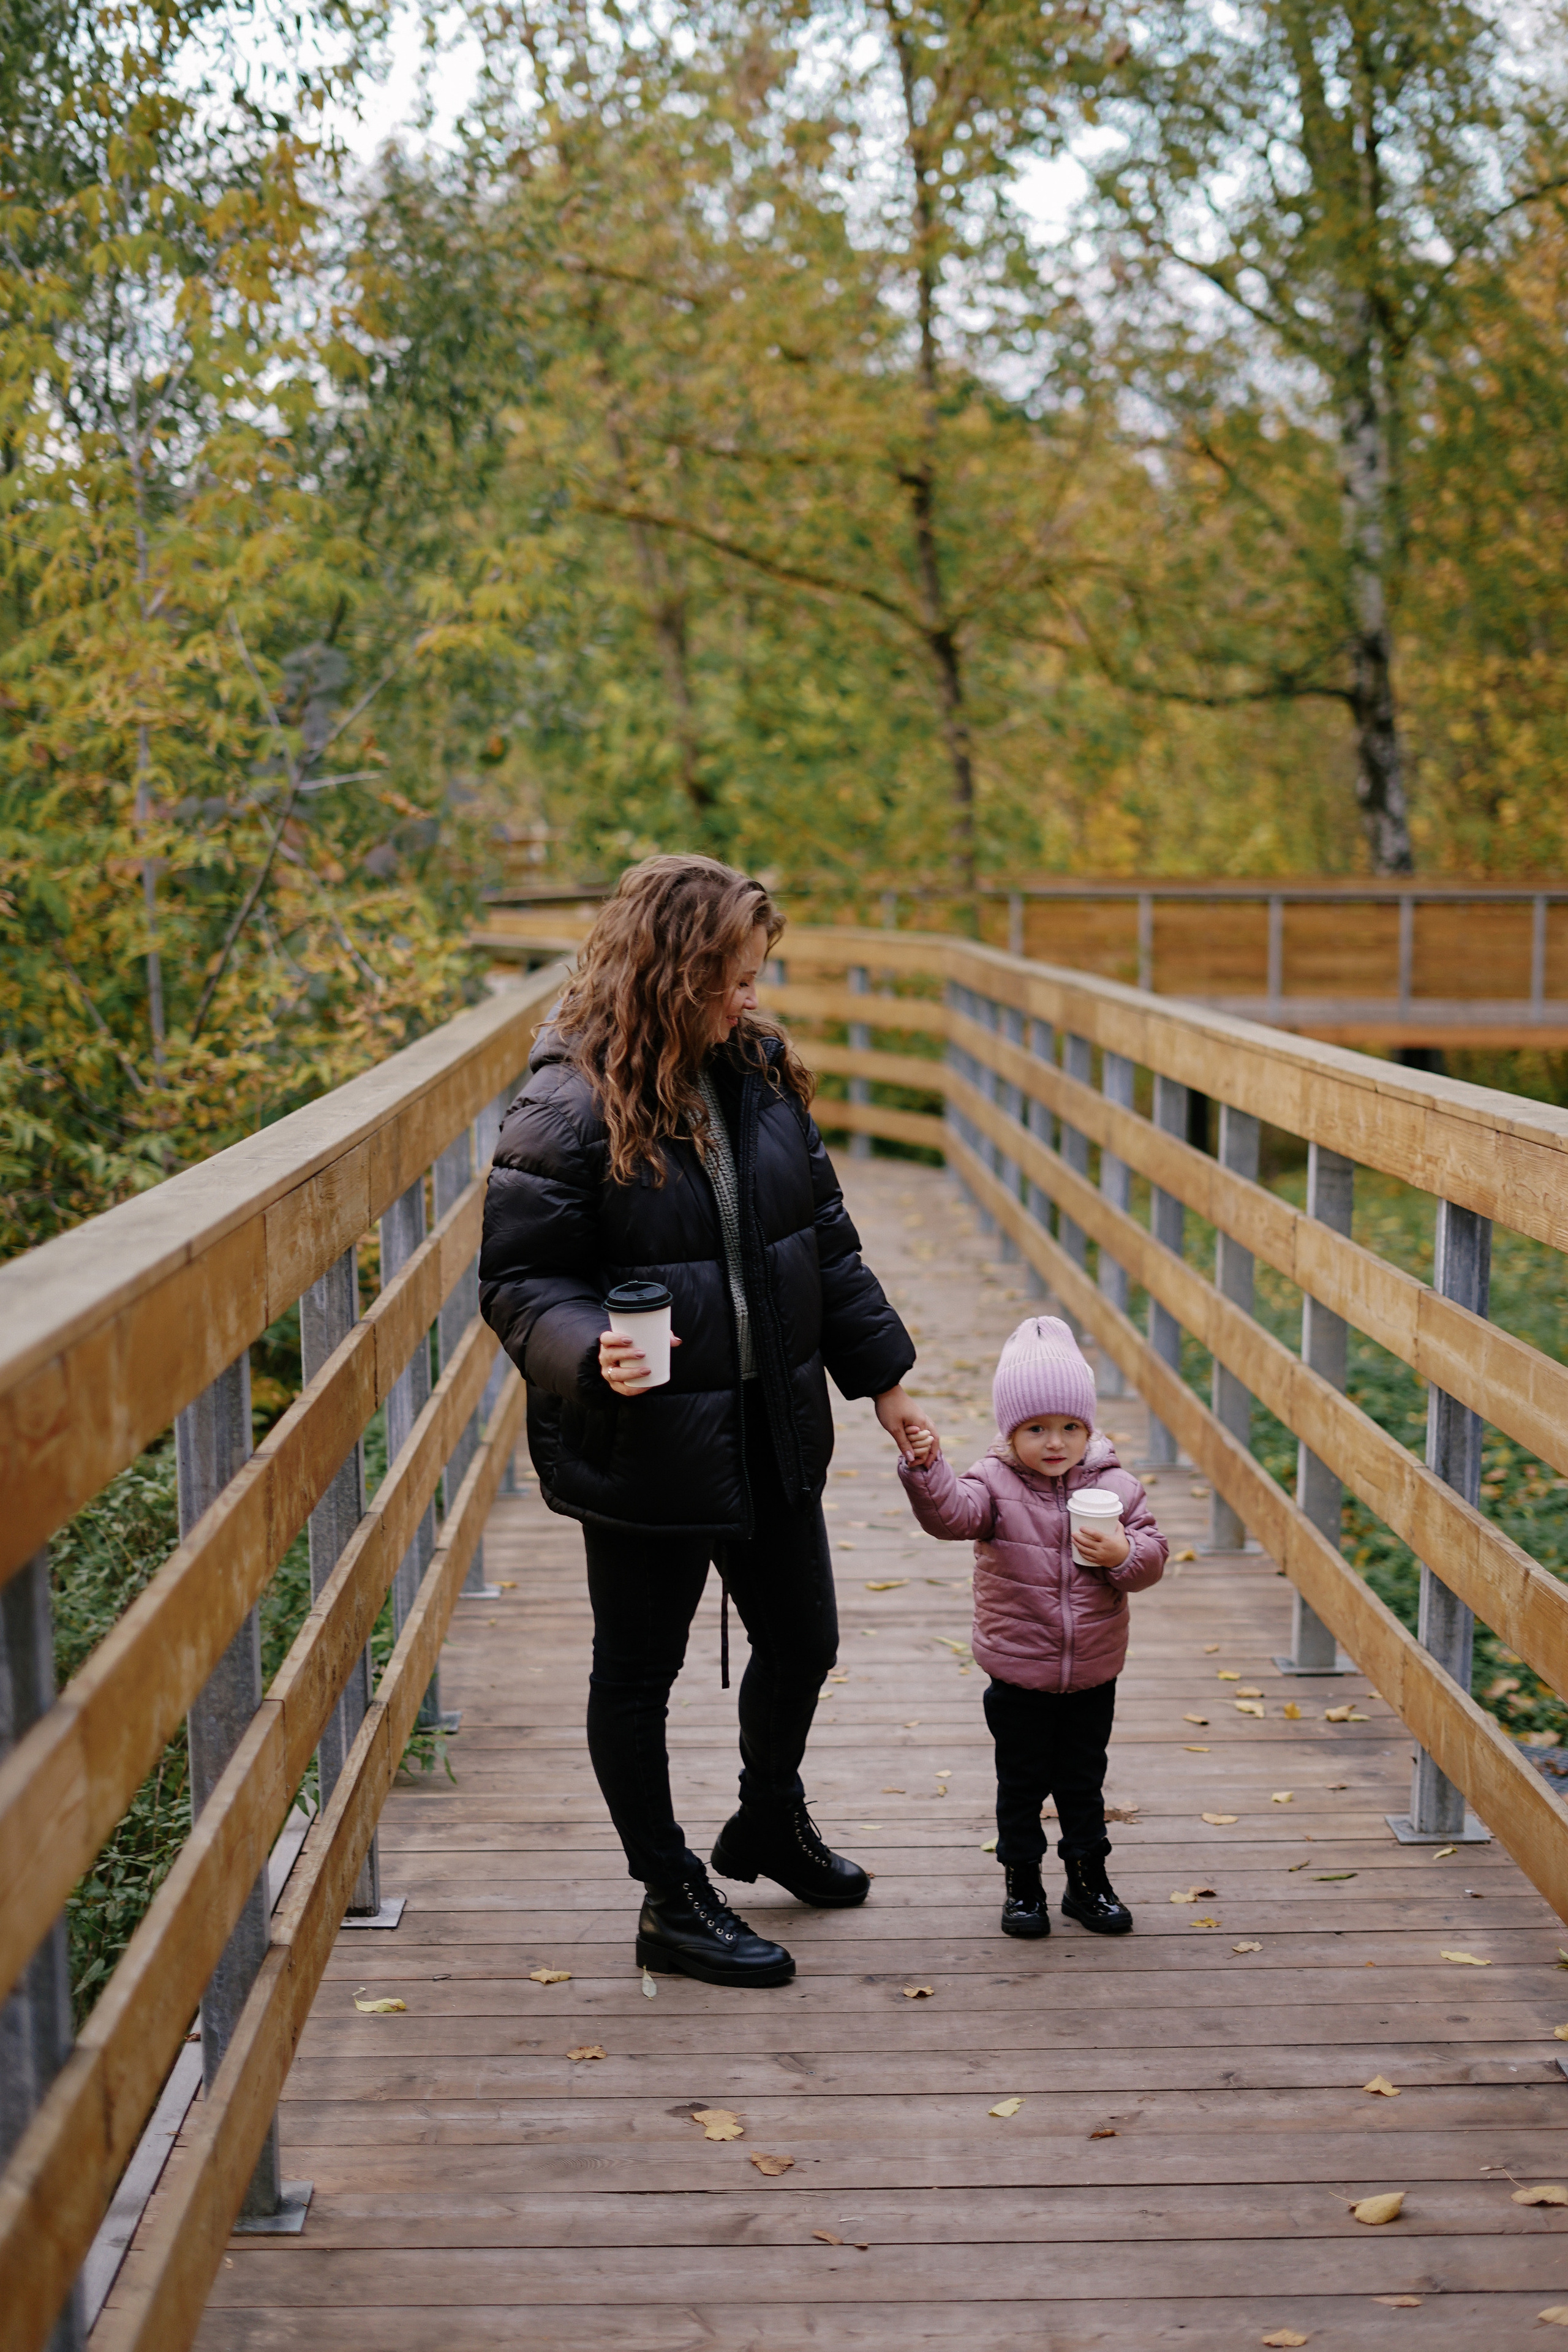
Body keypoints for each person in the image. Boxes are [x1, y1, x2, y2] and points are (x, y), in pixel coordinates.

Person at [479, 854, 929, 1989]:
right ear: (671, 974)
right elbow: (521, 1282)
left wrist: (884, 1378)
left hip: (771, 1418)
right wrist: (590, 1351)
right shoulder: (564, 1103)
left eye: (757, 977)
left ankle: (766, 1820)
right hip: (644, 1447)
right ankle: (668, 1894)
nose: (753, 1000)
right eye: (733, 979)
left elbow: (821, 1233)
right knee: (637, 1673)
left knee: (806, 1639)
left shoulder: (760, 1072)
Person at [897, 1316, 1166, 1937]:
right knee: (1019, 1784)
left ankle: (1087, 1881)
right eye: (1035, 1428)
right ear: (1008, 1430)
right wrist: (927, 1468)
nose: (1055, 1442)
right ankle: (1022, 1885)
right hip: (1017, 1668)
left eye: (1070, 1427)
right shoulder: (991, 1484)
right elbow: (950, 1519)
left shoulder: (1116, 1487)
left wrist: (1123, 1554)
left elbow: (1152, 1556)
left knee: (1082, 1780)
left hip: (1093, 1671)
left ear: (1088, 1427)